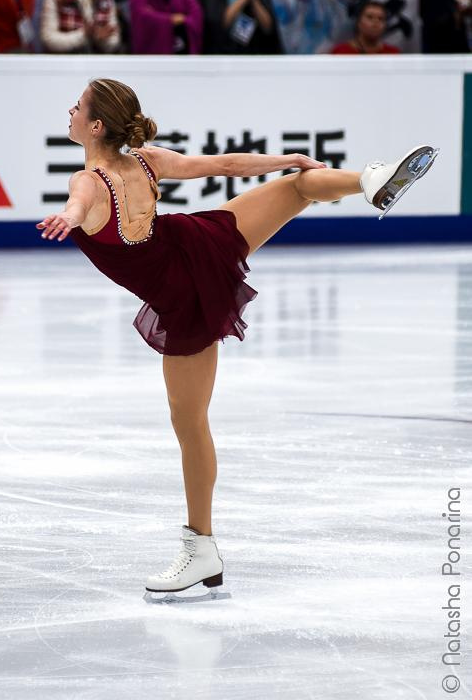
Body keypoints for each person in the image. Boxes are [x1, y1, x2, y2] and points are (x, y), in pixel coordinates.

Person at [36, 78, 437, 597]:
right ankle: (370, 180)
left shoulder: (88, 180)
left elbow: (77, 201)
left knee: (190, 424)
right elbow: (224, 164)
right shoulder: (147, 160)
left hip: (183, 294)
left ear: (94, 126)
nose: (68, 111)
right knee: (297, 189)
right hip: (200, 245)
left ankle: (201, 548)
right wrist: (286, 160)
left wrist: (67, 218)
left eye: (77, 107)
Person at [331, 1, 401, 54]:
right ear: (358, 22)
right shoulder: (341, 52)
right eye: (370, 17)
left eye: (381, 18)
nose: (376, 22)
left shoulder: (392, 53)